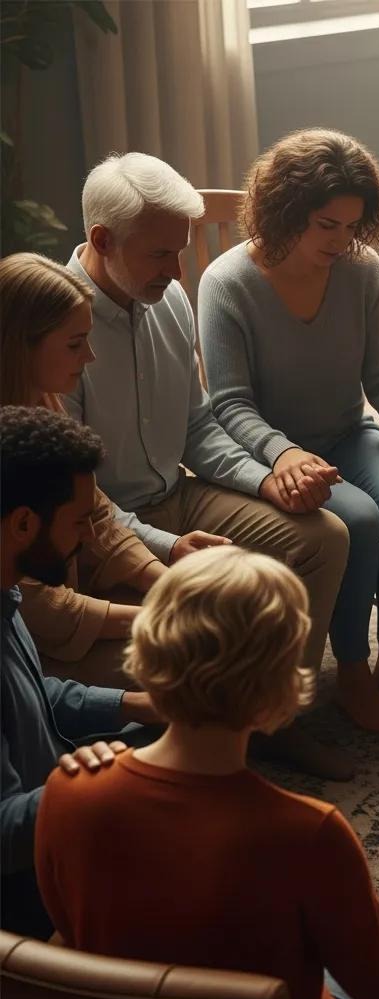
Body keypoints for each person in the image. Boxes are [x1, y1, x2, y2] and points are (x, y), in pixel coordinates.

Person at [35, 545, 379, 999]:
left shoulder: (68, 792)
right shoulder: (308, 834)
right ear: (281, 690)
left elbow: (70, 942)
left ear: (149, 649)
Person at [64, 151, 351, 777]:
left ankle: (276, 718)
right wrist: (167, 547)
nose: (177, 270)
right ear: (102, 240)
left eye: (181, 251)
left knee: (321, 538)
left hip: (178, 492)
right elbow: (77, 494)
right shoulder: (61, 327)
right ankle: (191, 740)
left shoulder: (166, 299)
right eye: (160, 254)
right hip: (104, 528)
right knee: (206, 605)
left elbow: (197, 425)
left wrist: (267, 477)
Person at [200, 129, 379, 734]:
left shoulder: (361, 269)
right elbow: (229, 405)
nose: (342, 239)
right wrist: (284, 454)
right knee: (359, 519)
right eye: (326, 224)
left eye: (352, 225)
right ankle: (351, 673)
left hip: (349, 435)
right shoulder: (227, 284)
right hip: (274, 456)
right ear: (285, 212)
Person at [1, 406, 161, 940]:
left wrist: (135, 704)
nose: (90, 537)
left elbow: (27, 695)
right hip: (24, 891)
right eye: (78, 521)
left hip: (52, 798)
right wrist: (92, 789)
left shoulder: (8, 593)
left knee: (167, 733)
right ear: (24, 523)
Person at [0, 251, 180, 685]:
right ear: (22, 344)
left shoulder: (39, 396)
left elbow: (94, 508)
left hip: (63, 599)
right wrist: (149, 616)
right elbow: (31, 602)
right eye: (75, 344)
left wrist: (164, 581)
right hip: (24, 644)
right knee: (186, 659)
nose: (91, 357)